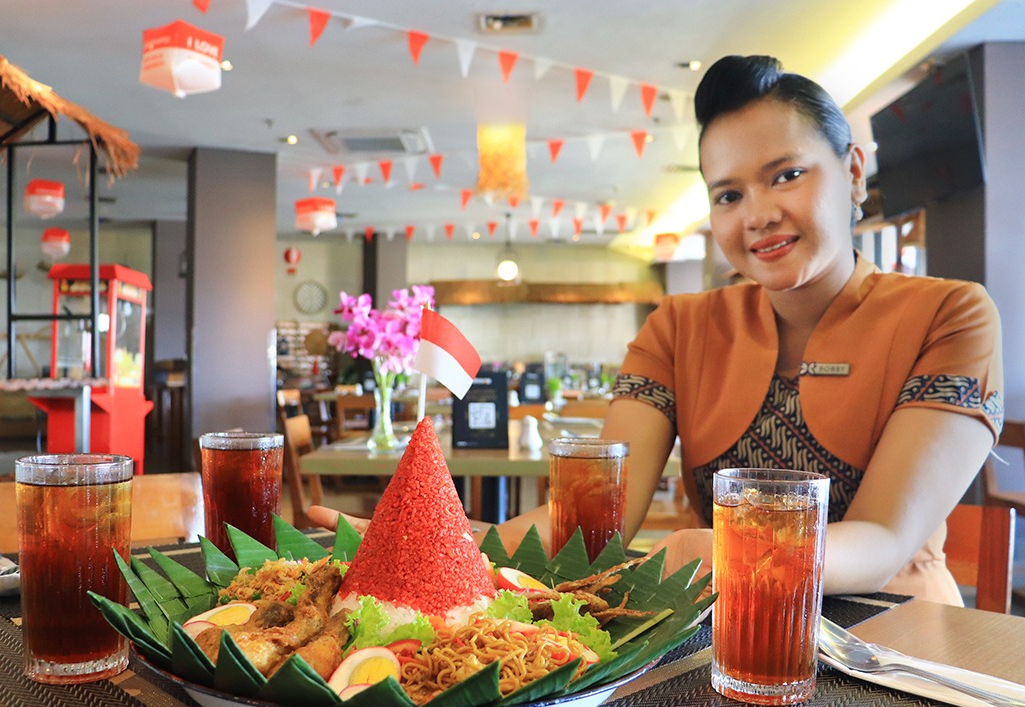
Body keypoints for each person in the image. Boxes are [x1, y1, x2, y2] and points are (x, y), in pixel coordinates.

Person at [308, 54, 1003, 606]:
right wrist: (441, 539)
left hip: (892, 638)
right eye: (729, 194)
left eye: (786, 175)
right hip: (727, 634)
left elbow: (883, 538)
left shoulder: (951, 315)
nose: (757, 214)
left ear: (852, 172)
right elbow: (588, 528)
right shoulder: (679, 325)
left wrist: (732, 548)